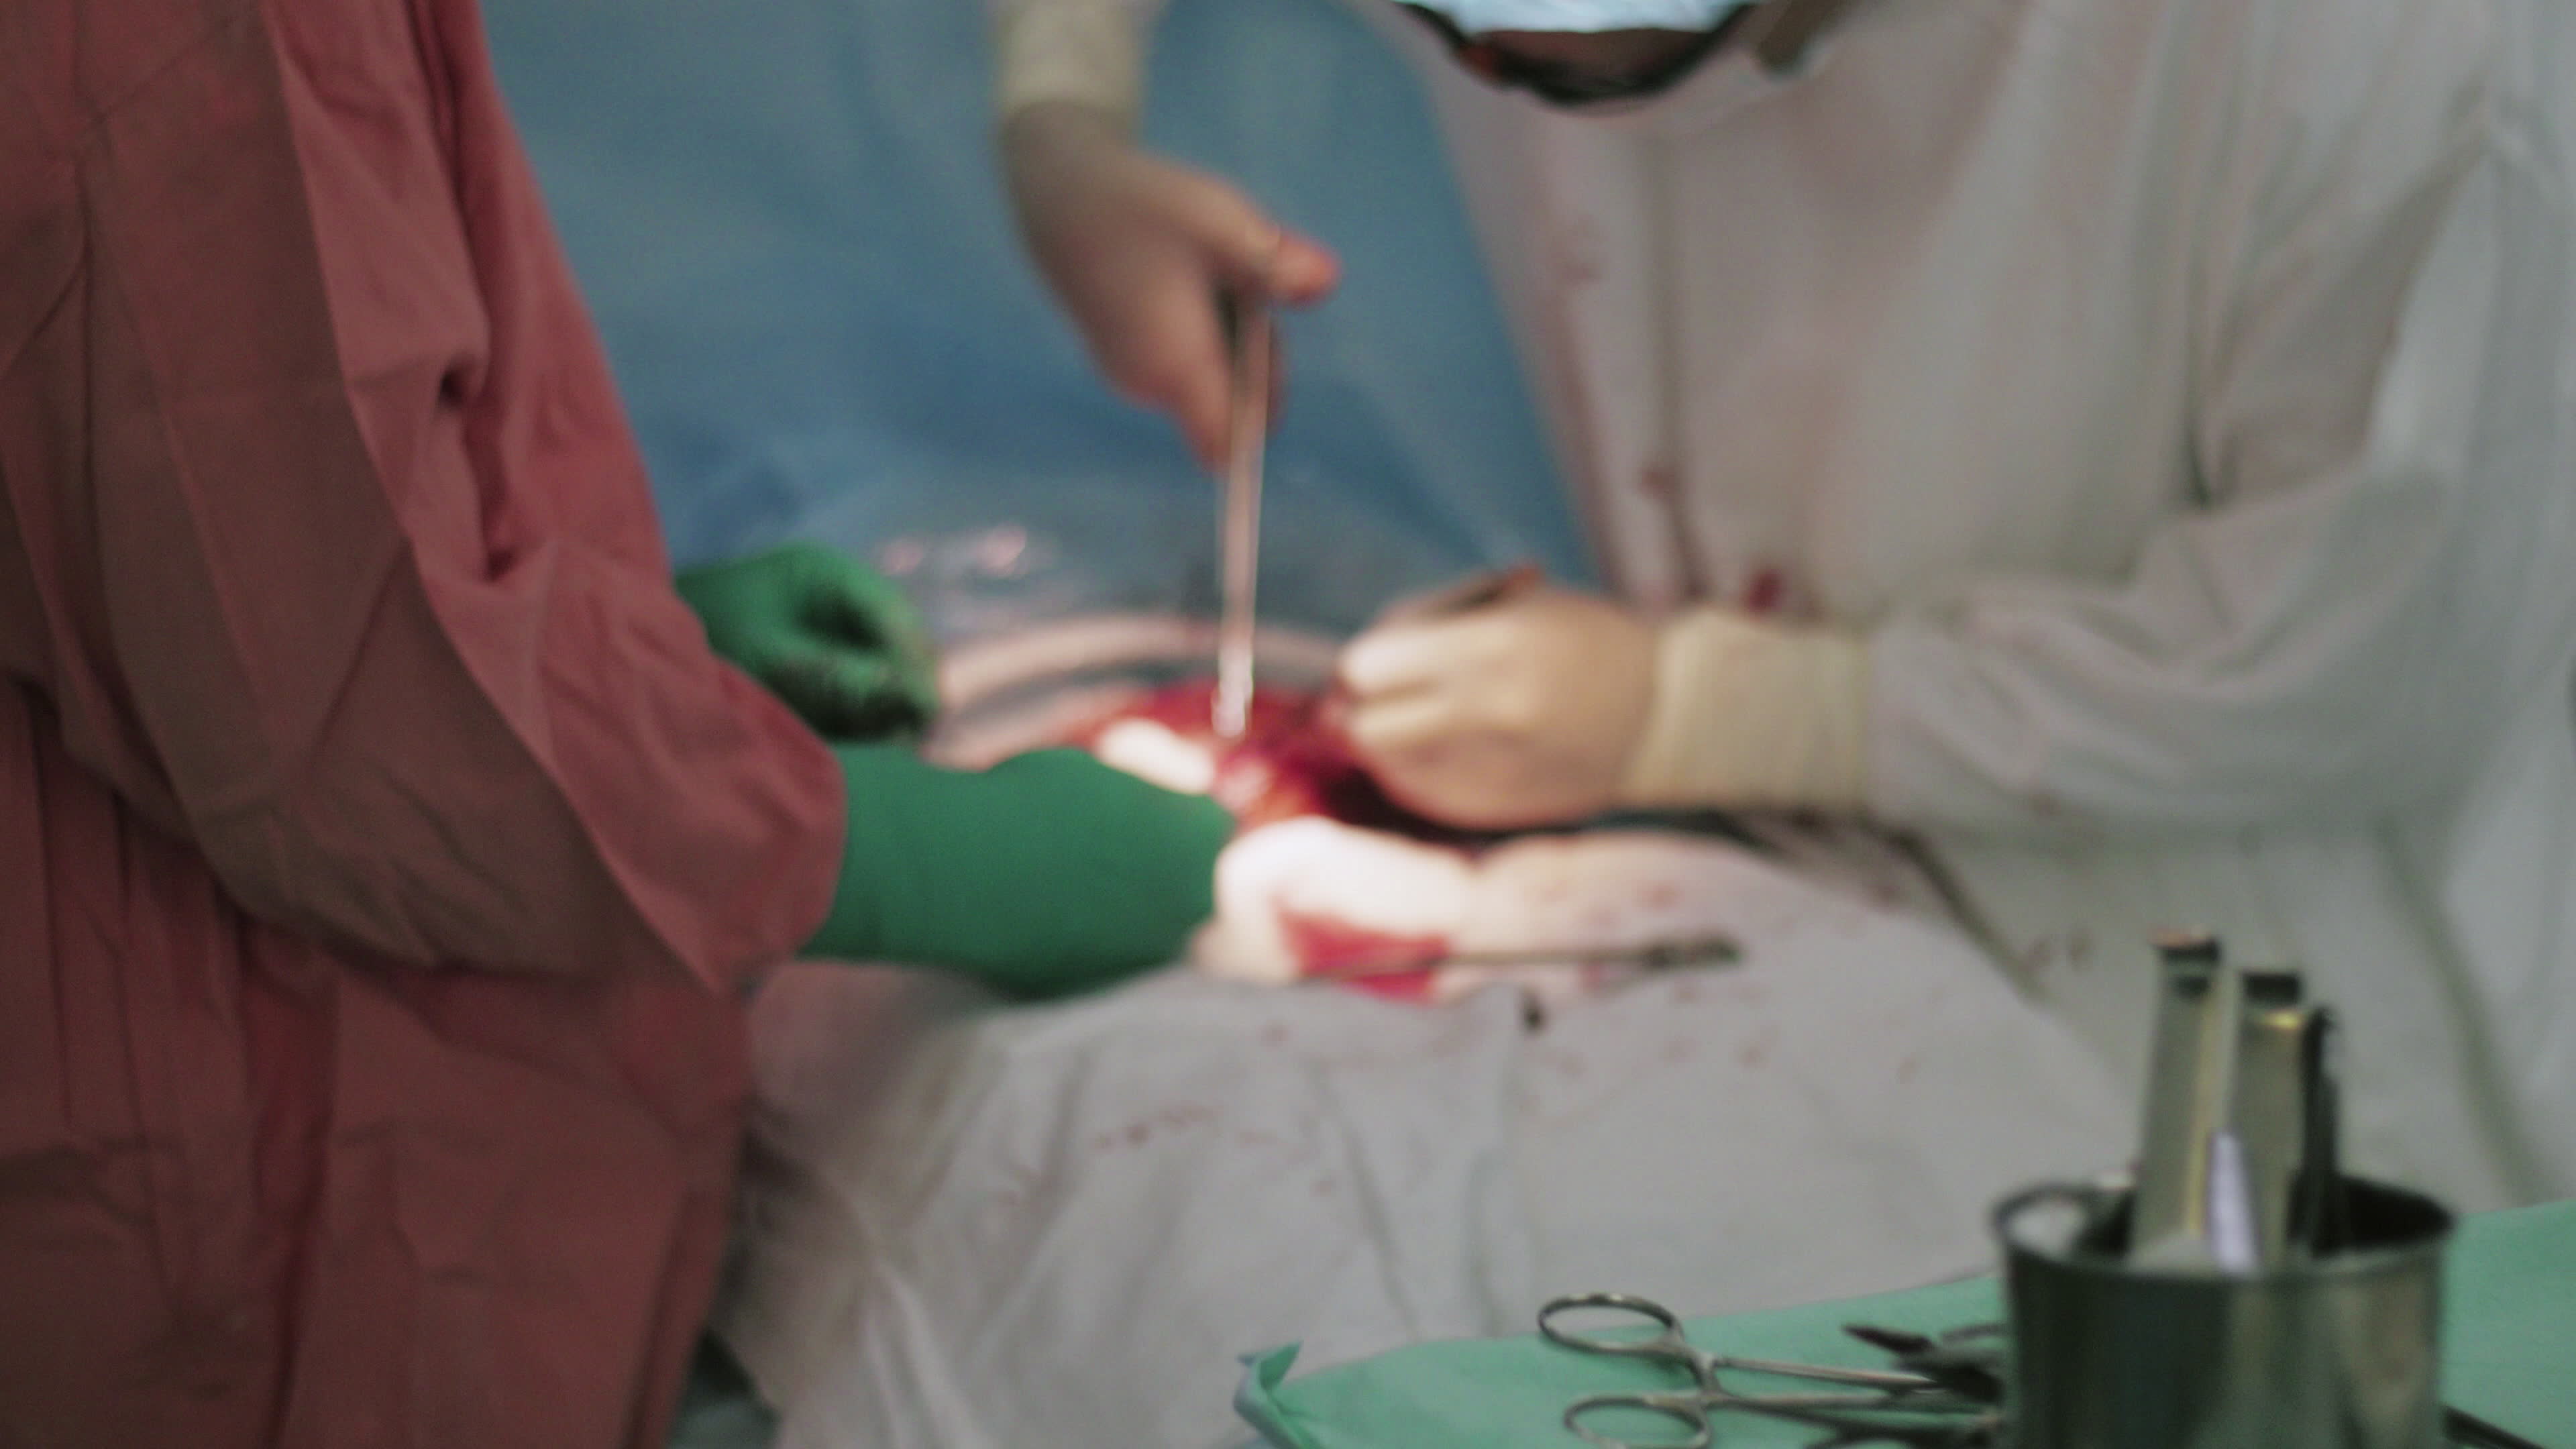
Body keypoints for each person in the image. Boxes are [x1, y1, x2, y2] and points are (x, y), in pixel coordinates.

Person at [992, 0, 2576, 1200]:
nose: (1538, 111)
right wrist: (1062, 107)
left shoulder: (2397, 63)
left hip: (2294, 1010)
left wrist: (1726, 711)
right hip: (1835, 936)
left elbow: (2362, 663)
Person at [0, 0, 1230, 1444]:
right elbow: (359, 732)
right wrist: (907, 850)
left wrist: (621, 629)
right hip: (230, 1239)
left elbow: (196, 510)